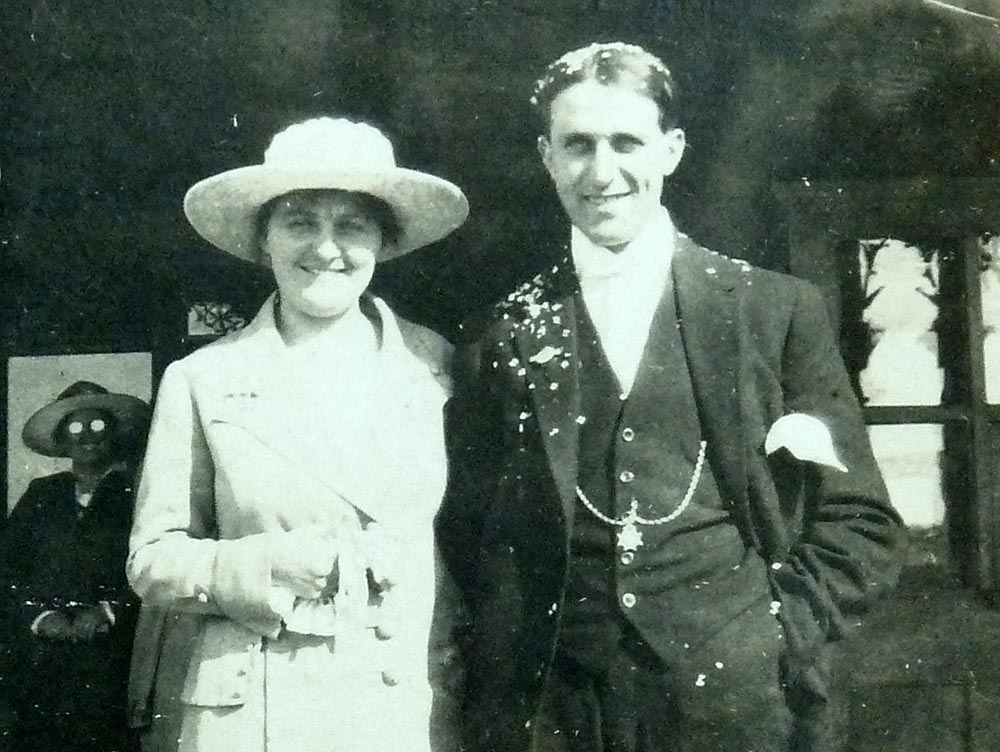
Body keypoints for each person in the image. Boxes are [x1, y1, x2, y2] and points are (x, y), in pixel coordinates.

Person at [439, 42, 908, 752]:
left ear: (672, 149)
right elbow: (468, 534)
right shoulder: (498, 332)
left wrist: (778, 632)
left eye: (627, 142)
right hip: (560, 717)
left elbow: (863, 520)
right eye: (577, 146)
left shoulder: (771, 311)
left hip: (737, 709)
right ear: (545, 155)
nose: (603, 172)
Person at [126, 116, 468, 752]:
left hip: (399, 710)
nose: (326, 246)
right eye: (300, 221)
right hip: (256, 714)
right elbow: (152, 562)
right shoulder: (203, 379)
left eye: (352, 224)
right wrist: (264, 564)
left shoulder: (440, 367)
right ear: (263, 239)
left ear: (384, 241)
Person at [0, 380, 149, 752]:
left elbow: (153, 567)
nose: (88, 438)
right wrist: (38, 616)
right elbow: (8, 570)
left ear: (112, 435)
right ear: (63, 439)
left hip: (112, 660)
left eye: (98, 427)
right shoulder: (41, 494)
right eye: (77, 429)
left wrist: (109, 612)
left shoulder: (136, 495)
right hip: (42, 662)